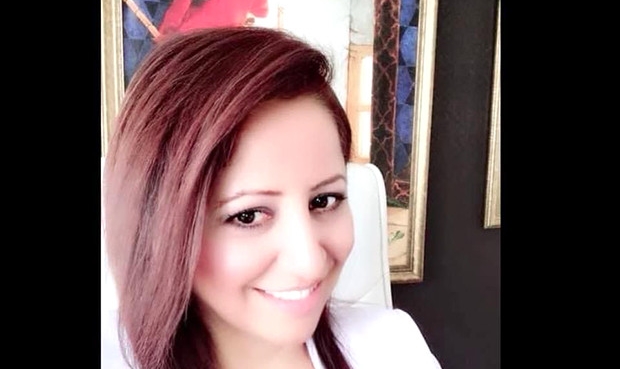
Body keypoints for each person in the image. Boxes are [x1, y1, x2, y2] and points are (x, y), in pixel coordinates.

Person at [102, 27, 441, 369]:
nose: (309, 263)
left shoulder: (391, 347)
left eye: (324, 201)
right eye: (247, 216)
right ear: (155, 224)